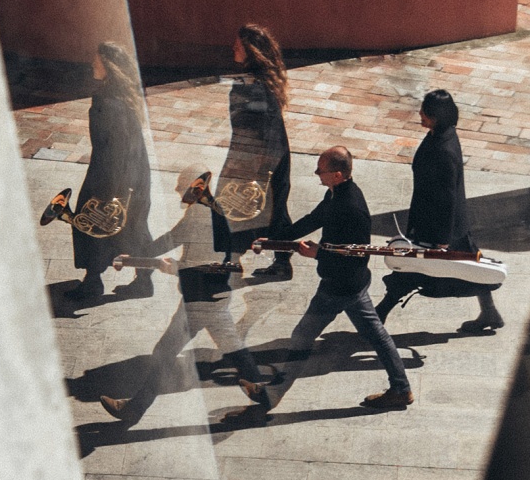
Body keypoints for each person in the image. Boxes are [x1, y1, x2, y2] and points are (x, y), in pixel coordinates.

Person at [234, 147, 412, 418]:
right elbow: (314, 219)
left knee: (302, 336)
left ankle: (271, 395)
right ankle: (401, 388)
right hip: (351, 284)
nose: (316, 173)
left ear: (337, 174)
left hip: (340, 286)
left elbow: (355, 258)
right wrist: (273, 239)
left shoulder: (351, 207)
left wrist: (319, 253)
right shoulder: (337, 194)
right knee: (375, 334)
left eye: (321, 170)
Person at [99, 166, 270, 422]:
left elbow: (200, 262)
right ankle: (262, 395)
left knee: (164, 352)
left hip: (200, 300)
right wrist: (135, 258)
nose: (178, 189)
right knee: (232, 347)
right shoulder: (209, 210)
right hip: (215, 296)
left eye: (182, 184)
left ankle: (134, 410)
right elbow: (173, 239)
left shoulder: (200, 215)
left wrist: (174, 269)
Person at [375, 90, 504, 332]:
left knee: (419, 269)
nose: (420, 115)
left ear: (437, 116)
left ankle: (378, 314)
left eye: (426, 112)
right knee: (469, 270)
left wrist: (442, 240)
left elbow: (447, 199)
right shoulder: (440, 135)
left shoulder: (444, 150)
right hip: (437, 222)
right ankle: (490, 313)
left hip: (441, 229)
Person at [65, 41, 154, 300]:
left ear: (109, 65)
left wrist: (109, 188)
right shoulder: (126, 94)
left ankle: (93, 282)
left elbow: (112, 145)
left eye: (98, 60)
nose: (93, 63)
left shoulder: (106, 99)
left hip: (110, 170)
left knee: (90, 220)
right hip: (136, 169)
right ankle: (144, 281)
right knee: (135, 225)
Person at [212, 23, 293, 279]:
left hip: (256, 156)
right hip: (272, 153)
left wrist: (251, 166)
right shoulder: (261, 79)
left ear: (250, 50)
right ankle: (281, 261)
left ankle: (232, 259)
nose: (233, 48)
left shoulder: (253, 86)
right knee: (275, 207)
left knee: (231, 203)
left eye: (238, 45)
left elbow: (257, 126)